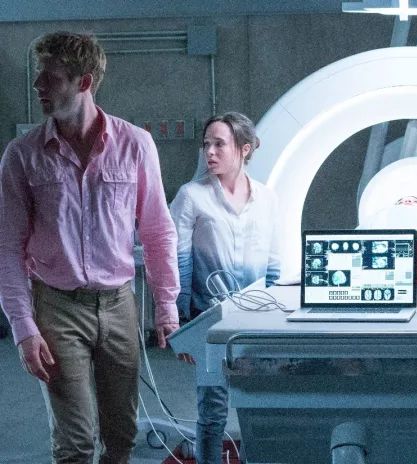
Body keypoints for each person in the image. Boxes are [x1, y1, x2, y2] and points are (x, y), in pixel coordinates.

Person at [0, 31, 180, 463]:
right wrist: (23, 327)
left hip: (119, 305)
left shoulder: (135, 144)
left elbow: (157, 230)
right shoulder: (23, 155)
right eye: (39, 76)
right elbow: (7, 246)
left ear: (84, 82)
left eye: (50, 77)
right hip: (56, 307)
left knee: (122, 436)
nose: (38, 86)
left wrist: (167, 306)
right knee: (76, 442)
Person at [170, 112, 281, 464]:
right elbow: (179, 263)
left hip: (257, 321)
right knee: (213, 410)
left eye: (219, 144)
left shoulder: (267, 199)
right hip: (210, 321)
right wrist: (183, 326)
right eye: (206, 144)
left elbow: (274, 266)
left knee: (260, 406)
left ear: (244, 149)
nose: (210, 152)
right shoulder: (191, 197)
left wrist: (278, 321)